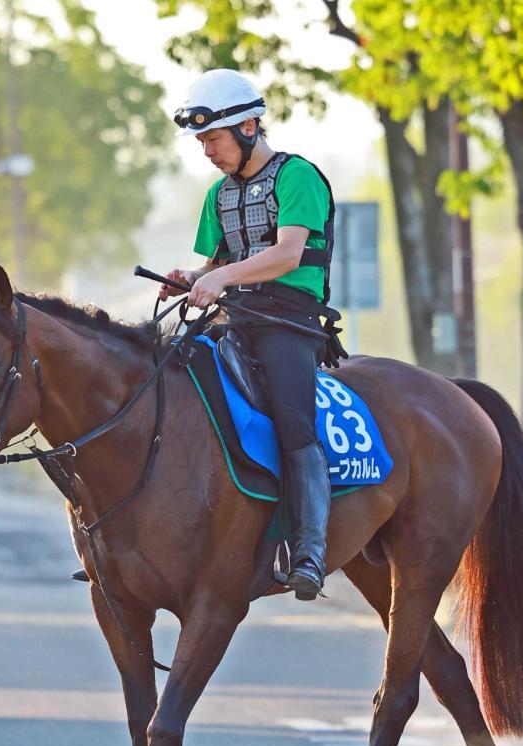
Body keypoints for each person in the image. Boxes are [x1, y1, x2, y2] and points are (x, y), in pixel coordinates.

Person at [163, 69, 337, 601]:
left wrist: (217, 277)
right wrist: (190, 278)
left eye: (213, 140)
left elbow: (286, 255)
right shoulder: (217, 194)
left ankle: (309, 549)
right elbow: (216, 263)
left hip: (289, 321)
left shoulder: (297, 175)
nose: (208, 152)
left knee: (292, 420)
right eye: (202, 142)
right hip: (232, 319)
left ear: (248, 127)